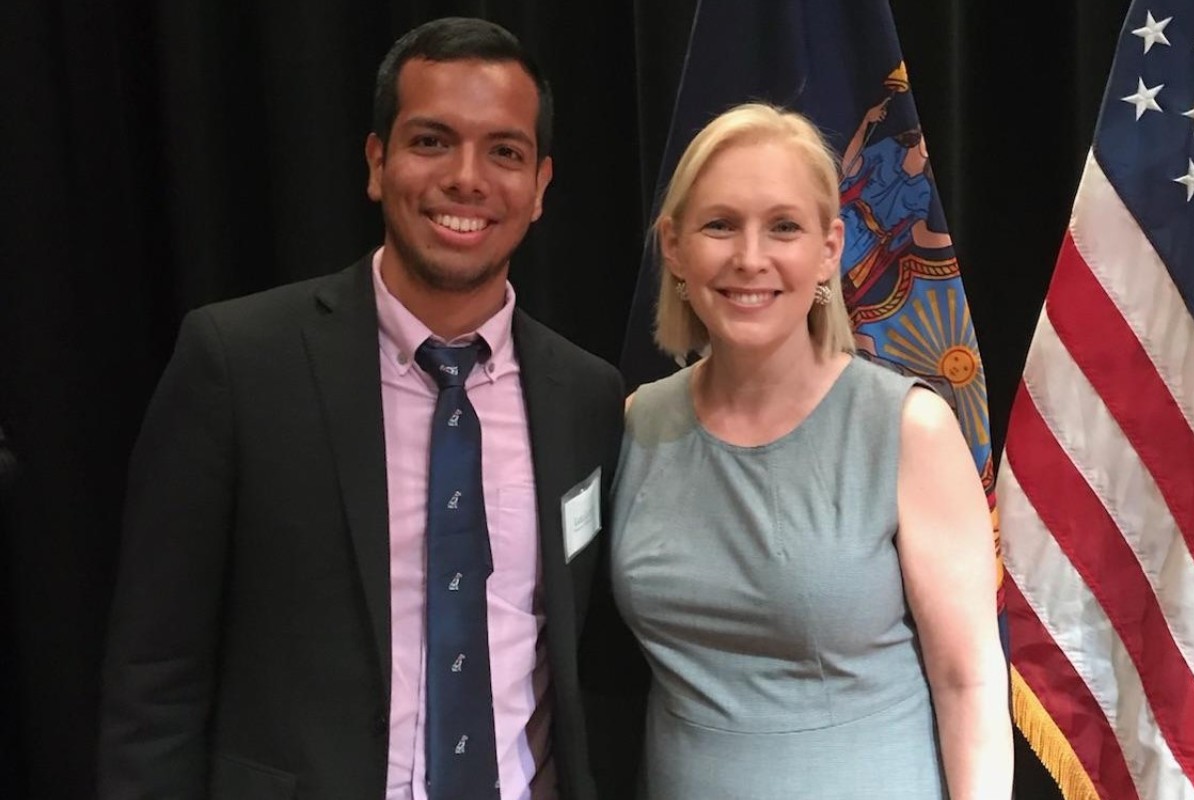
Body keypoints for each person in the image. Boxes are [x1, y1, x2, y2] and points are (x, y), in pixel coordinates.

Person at [99, 17, 637, 800]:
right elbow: (155, 673)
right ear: (377, 163)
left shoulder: (587, 396)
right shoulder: (239, 363)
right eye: (431, 142)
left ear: (541, 186)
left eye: (504, 152)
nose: (467, 177)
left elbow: (597, 669)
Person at [610, 103, 1012, 799]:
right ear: (674, 247)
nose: (750, 257)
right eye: (719, 225)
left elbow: (968, 680)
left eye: (784, 227)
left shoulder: (910, 429)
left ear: (830, 250)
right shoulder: (638, 422)